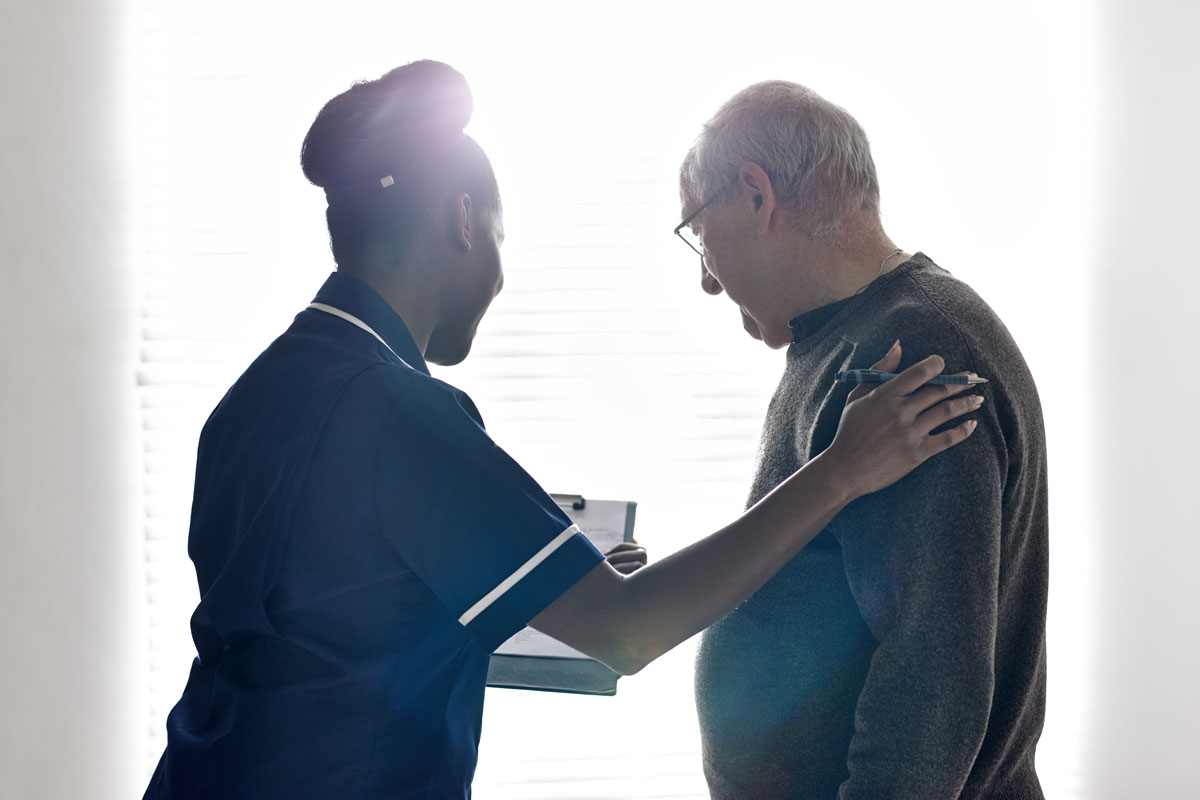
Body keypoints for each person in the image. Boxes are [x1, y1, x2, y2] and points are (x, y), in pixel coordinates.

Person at [142, 62, 981, 800]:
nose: (499, 278)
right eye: (500, 242)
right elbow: (626, 632)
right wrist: (840, 471)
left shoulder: (259, 394)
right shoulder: (401, 413)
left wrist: (538, 573)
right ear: (464, 221)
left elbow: (333, 612)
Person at [678, 80, 1049, 799]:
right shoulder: (855, 336)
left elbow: (930, 674)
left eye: (697, 231)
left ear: (757, 196)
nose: (706, 280)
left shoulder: (909, 354)